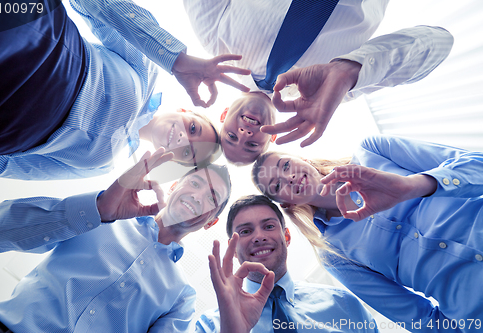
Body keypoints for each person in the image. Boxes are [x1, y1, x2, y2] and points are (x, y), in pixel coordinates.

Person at [0, 0, 251, 180]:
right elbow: (99, 5)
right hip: (40, 41)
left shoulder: (102, 167)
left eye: (187, 153)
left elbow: (9, 166)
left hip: (1, 123)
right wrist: (175, 59)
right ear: (184, 111)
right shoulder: (147, 71)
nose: (182, 138)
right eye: (193, 129)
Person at [0, 148, 232, 333]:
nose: (198, 196)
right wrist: (98, 210)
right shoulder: (98, 216)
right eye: (195, 183)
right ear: (175, 186)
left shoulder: (182, 297)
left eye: (212, 197)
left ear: (211, 222)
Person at [251, 135, 483, 332]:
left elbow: (477, 165)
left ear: (302, 159)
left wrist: (413, 186)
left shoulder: (372, 151)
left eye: (285, 166)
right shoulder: (334, 256)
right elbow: (419, 320)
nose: (289, 177)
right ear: (286, 203)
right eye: (277, 186)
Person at [183, 0, 454, 163]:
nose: (244, 134)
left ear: (223, 114)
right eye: (252, 144)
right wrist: (349, 71)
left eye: (231, 136)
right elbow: (440, 42)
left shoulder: (213, 39)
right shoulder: (333, 93)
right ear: (273, 136)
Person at [197, 195, 379, 333]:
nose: (259, 237)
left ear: (287, 236)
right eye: (245, 231)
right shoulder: (210, 325)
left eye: (268, 226)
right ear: (233, 249)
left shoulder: (343, 304)